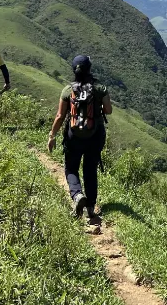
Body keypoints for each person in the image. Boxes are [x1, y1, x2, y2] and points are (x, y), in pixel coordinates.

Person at [48, 55, 112, 219]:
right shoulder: (99, 89)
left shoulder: (68, 90)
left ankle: (77, 195)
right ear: (89, 69)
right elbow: (109, 110)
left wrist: (52, 135)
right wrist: (95, 111)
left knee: (71, 168)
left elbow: (60, 115)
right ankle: (90, 208)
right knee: (90, 170)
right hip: (95, 134)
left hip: (73, 135)